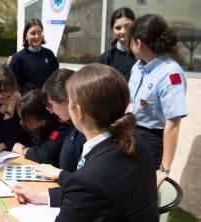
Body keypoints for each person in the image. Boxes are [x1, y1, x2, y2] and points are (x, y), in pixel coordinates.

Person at [12, 63, 158, 221]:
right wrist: (42, 196)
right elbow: (93, 193)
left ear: (78, 111)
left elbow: (87, 190)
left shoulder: (90, 179)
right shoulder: (135, 142)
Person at [127, 14, 187, 186]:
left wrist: (164, 169)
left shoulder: (170, 73)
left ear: (138, 42)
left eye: (131, 42)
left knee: (145, 192)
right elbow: (132, 104)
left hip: (152, 142)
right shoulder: (138, 67)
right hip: (131, 132)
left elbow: (173, 124)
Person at [13, 69, 86, 172]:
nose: (51, 111)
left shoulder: (68, 127)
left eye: (51, 105)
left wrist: (24, 150)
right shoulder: (72, 127)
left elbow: (46, 154)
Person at [12, 89, 67, 167]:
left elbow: (45, 154)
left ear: (38, 116)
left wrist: (24, 150)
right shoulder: (41, 126)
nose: (21, 122)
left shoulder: (59, 128)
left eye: (25, 119)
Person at [9, 18, 59, 95]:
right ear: (26, 35)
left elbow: (56, 76)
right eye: (33, 33)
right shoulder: (17, 58)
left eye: (39, 33)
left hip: (47, 100)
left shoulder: (49, 54)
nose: (37, 36)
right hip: (27, 102)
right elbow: (11, 82)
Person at [98, 7, 136, 80]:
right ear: (112, 29)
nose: (123, 31)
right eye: (118, 28)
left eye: (127, 26)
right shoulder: (105, 59)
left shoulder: (143, 55)